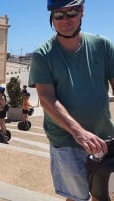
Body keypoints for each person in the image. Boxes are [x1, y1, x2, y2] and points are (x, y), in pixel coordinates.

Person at [29, 0, 114, 201]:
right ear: (51, 16)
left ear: (82, 11)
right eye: (59, 15)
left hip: (104, 136)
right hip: (66, 140)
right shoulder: (43, 55)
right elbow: (46, 97)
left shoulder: (103, 46)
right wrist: (79, 132)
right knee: (76, 197)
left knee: (103, 194)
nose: (65, 20)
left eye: (71, 13)